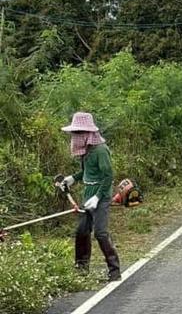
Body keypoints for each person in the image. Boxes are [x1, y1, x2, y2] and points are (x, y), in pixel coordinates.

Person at [58, 112, 121, 281]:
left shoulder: (100, 150)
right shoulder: (86, 151)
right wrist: (72, 179)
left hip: (101, 196)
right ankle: (81, 267)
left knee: (100, 233)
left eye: (79, 133)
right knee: (82, 231)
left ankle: (114, 270)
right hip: (88, 194)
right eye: (75, 133)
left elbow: (108, 176)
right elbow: (86, 172)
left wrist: (98, 197)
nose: (75, 137)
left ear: (88, 133)